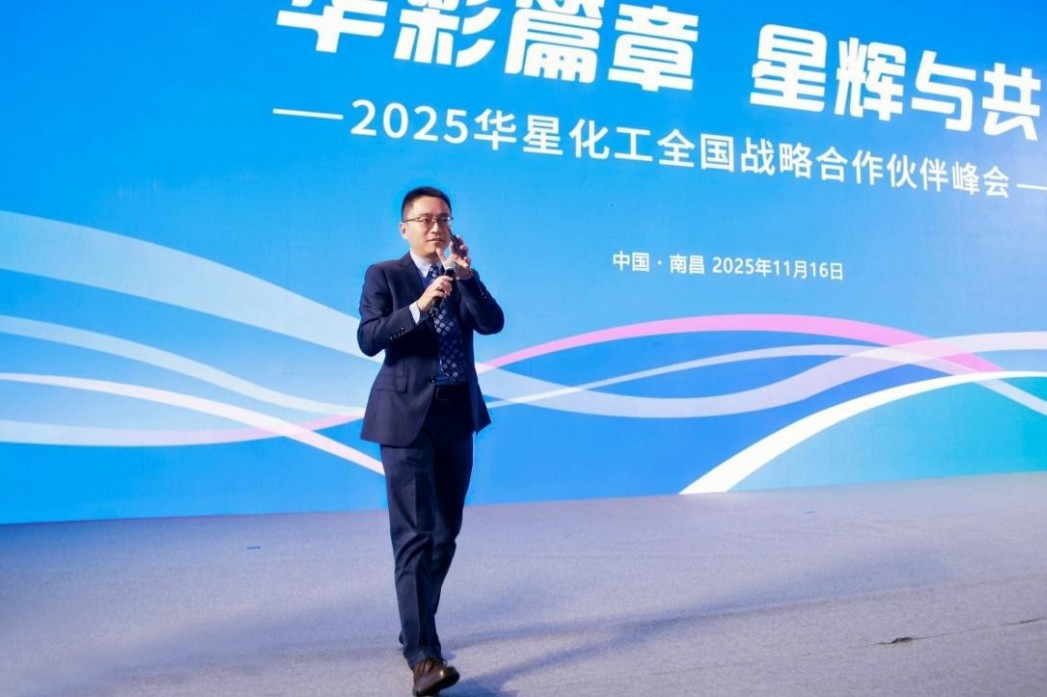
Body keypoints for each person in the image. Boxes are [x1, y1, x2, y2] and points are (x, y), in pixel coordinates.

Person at [357, 185, 504, 696]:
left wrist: (466, 276)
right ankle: (424, 656)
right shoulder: (385, 275)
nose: (437, 227)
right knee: (415, 536)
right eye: (426, 219)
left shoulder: (458, 277)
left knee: (445, 535)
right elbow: (368, 337)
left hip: (455, 416)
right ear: (405, 228)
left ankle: (415, 625)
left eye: (444, 219)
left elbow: (493, 323)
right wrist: (419, 306)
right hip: (404, 421)